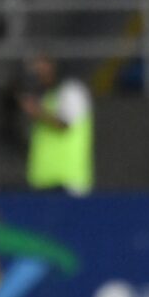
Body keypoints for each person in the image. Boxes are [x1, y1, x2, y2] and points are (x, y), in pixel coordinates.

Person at [19, 55, 93, 195]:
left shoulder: (72, 91)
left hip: (67, 184)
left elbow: (64, 124)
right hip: (44, 183)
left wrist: (37, 112)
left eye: (41, 66)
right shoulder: (47, 97)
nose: (37, 72)